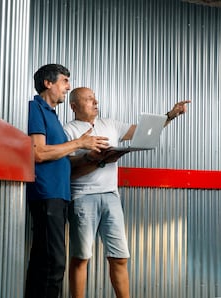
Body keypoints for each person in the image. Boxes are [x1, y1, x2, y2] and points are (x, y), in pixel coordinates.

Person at [63, 87, 190, 298]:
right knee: (81, 257)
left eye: (95, 99)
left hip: (111, 196)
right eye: (88, 99)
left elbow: (144, 130)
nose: (95, 102)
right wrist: (91, 158)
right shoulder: (69, 130)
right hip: (82, 197)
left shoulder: (110, 124)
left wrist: (170, 115)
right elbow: (65, 166)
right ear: (73, 106)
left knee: (120, 257)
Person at [25, 66, 109, 298]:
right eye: (64, 81)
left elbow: (60, 158)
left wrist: (91, 157)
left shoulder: (52, 116)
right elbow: (38, 153)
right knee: (54, 262)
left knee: (44, 260)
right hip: (46, 194)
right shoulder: (36, 108)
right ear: (47, 84)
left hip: (58, 195)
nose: (68, 86)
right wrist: (79, 144)